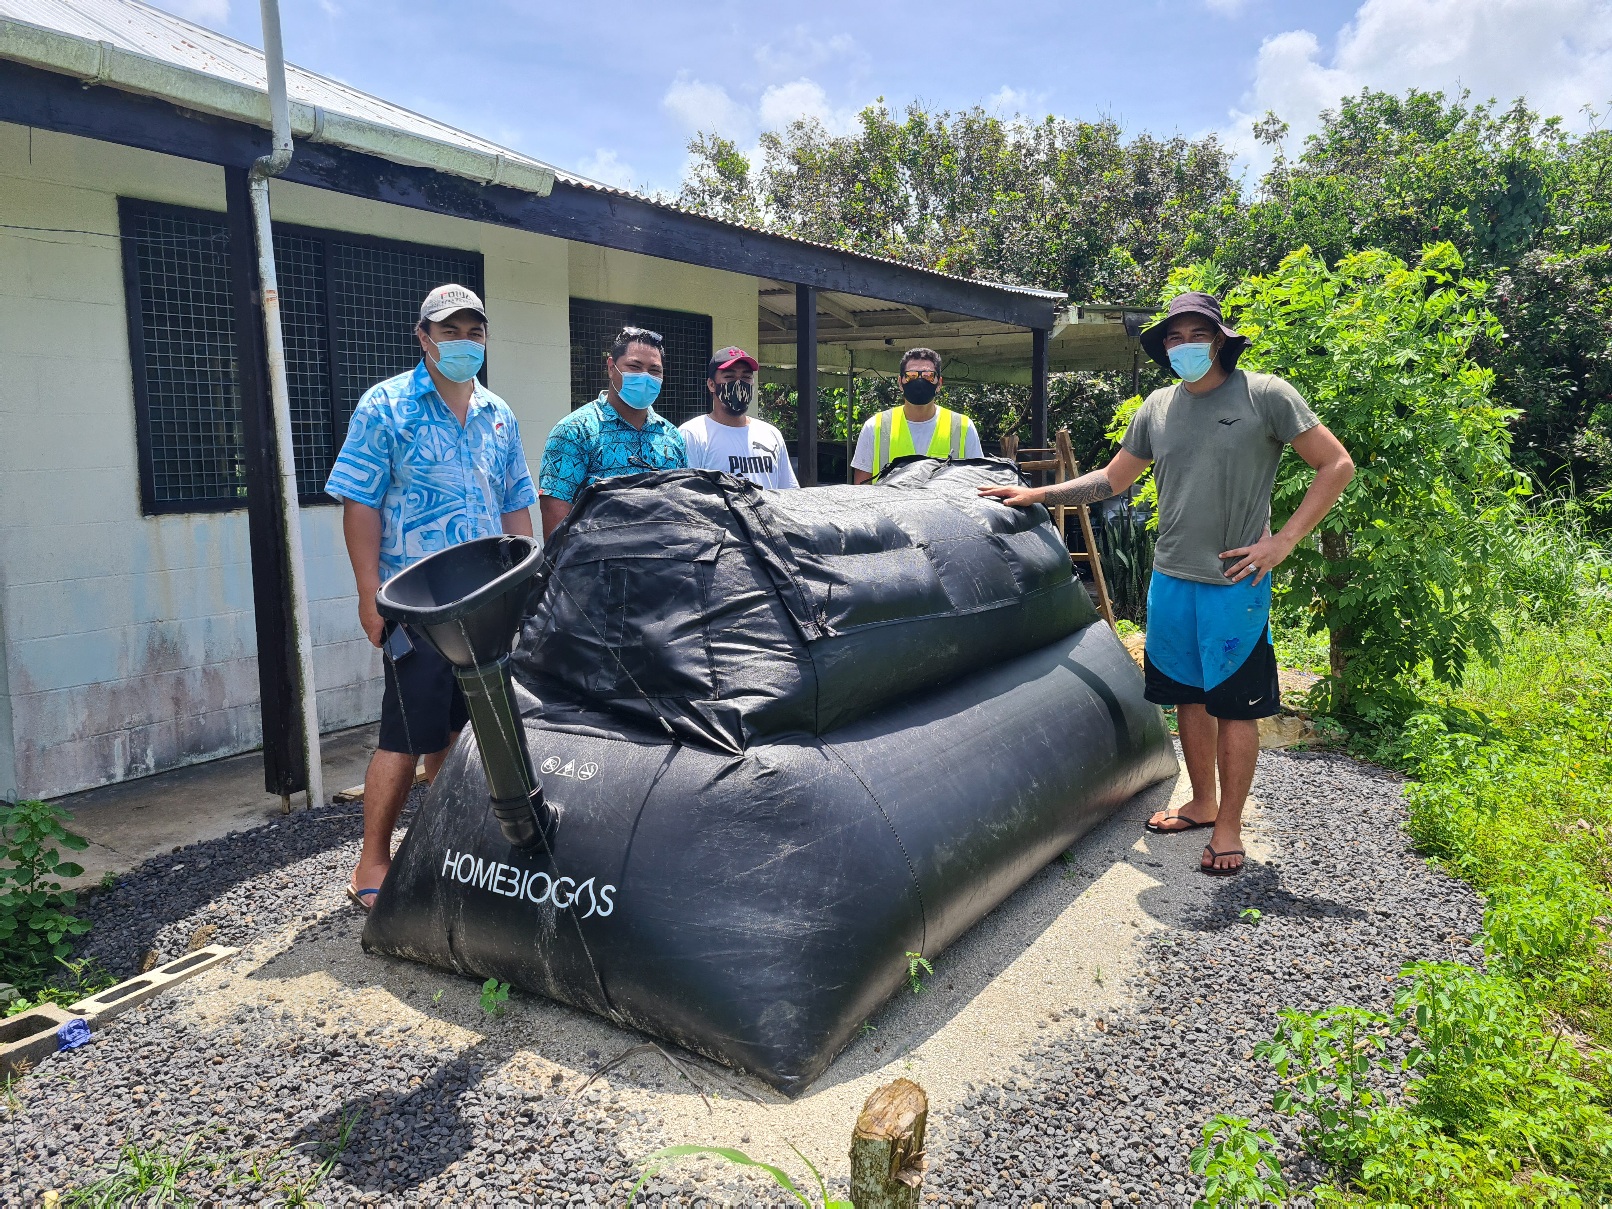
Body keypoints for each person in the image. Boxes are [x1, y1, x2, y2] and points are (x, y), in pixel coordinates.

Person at [978, 291, 1354, 876]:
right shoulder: (1157, 406)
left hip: (1236, 581)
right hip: (1170, 578)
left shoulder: (1266, 395)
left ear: (1221, 340)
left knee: (1236, 707)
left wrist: (1282, 542)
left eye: (1194, 336)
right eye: (1172, 340)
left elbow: (1337, 464)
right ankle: (1203, 802)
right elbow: (1112, 478)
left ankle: (1229, 825)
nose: (1183, 347)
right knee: (1186, 696)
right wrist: (1042, 494)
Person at [326, 283, 537, 910]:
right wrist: (370, 594)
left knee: (467, 733)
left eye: (475, 332)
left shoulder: (499, 414)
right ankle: (373, 859)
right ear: (423, 337)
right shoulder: (385, 406)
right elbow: (359, 503)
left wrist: (521, 585)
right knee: (405, 732)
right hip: (416, 607)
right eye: (451, 332)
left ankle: (454, 845)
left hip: (483, 607)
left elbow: (515, 505)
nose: (465, 343)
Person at [538, 326, 687, 540]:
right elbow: (556, 521)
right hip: (595, 570)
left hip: (662, 569)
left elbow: (682, 512)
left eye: (654, 370)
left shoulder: (671, 436)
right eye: (634, 366)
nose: (645, 377)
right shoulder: (574, 431)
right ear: (611, 367)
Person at [851, 347, 984, 483]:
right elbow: (860, 490)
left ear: (939, 383)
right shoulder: (874, 427)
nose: (919, 381)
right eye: (911, 376)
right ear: (900, 383)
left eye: (928, 376)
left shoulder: (962, 427)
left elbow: (977, 485)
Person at [679, 345, 799, 489]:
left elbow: (789, 492)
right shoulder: (692, 434)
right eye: (729, 377)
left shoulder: (771, 435)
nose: (739, 383)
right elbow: (686, 498)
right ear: (711, 385)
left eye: (746, 377)